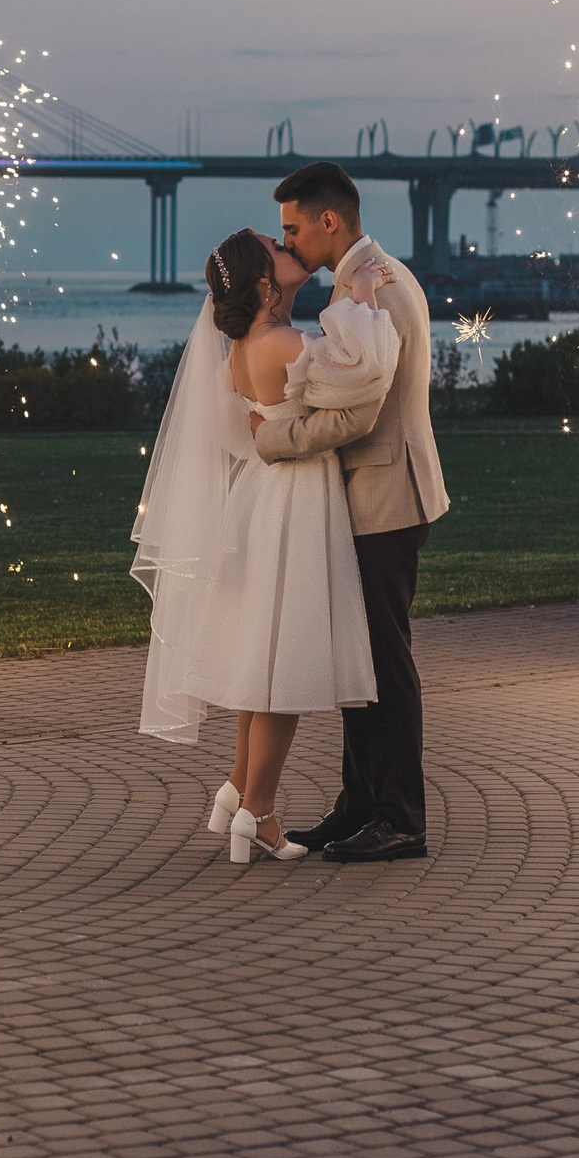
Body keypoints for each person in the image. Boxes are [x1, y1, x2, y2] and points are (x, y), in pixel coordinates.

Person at [133, 225, 400, 864]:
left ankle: (238, 790)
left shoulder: (236, 354)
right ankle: (260, 811)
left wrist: (270, 426)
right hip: (297, 504)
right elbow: (365, 370)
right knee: (286, 664)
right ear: (262, 282)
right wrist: (358, 297)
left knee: (262, 659)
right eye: (276, 252)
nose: (288, 253)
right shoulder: (285, 344)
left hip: (260, 498)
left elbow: (238, 434)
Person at [257, 161, 448, 863]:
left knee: (383, 662)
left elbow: (359, 414)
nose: (288, 242)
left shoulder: (377, 293)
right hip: (378, 492)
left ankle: (400, 816)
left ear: (327, 222)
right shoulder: (366, 281)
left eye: (293, 228)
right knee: (360, 656)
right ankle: (360, 804)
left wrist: (277, 435)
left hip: (387, 494)